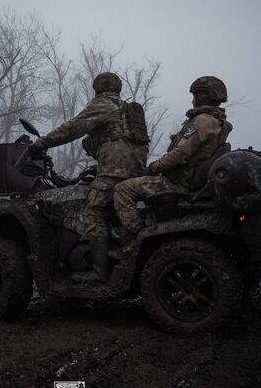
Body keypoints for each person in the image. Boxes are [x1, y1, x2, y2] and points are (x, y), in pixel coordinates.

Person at [26, 72, 149, 283]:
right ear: (118, 89)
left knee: (93, 209)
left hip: (114, 170)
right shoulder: (128, 111)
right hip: (136, 169)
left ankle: (99, 271)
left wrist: (41, 143)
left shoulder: (103, 104)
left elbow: (73, 128)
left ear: (97, 90)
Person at [113, 76, 232, 257]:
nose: (193, 100)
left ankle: (136, 241)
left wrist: (153, 167)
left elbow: (180, 154)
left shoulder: (203, 121)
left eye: (195, 95)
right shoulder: (216, 122)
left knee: (123, 189)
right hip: (190, 180)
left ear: (204, 96)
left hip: (179, 183)